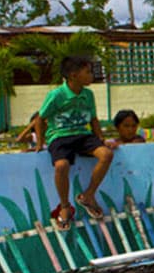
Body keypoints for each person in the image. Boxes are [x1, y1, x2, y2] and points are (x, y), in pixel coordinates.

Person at [34, 55, 114, 230]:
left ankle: (88, 195)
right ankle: (64, 207)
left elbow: (93, 118)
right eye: (87, 72)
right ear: (73, 75)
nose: (91, 75)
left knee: (106, 154)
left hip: (83, 135)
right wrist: (40, 143)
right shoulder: (56, 95)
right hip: (60, 136)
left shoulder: (88, 94)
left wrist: (100, 137)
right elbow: (40, 120)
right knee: (61, 166)